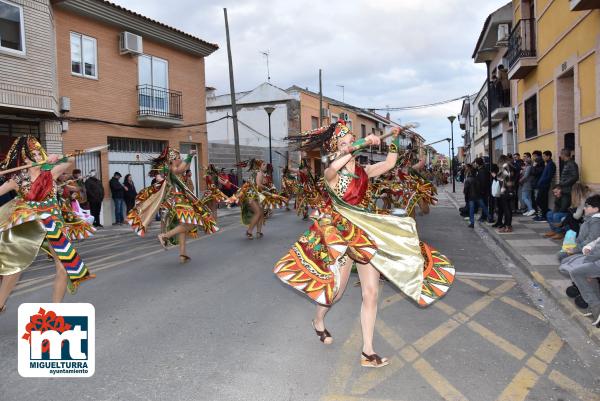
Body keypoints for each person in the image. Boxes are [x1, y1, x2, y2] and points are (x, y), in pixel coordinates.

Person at [274, 121, 455, 368]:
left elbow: (390, 163)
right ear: (336, 149)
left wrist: (394, 137)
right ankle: (318, 320)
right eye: (345, 143)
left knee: (370, 293)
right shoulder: (331, 174)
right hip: (342, 238)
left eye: (352, 140)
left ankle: (367, 352)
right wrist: (361, 143)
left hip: (365, 237)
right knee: (335, 294)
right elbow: (336, 164)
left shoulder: (364, 171)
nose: (350, 146)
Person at [0, 136, 94, 312]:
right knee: (14, 268)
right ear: (24, 158)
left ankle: (55, 311)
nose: (36, 156)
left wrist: (58, 156)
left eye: (38, 152)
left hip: (53, 222)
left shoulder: (50, 172)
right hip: (29, 223)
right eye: (31, 154)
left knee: (64, 267)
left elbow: (71, 160)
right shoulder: (17, 179)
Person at [127, 147, 217, 264]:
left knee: (183, 227)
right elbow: (180, 169)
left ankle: (183, 254)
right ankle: (164, 236)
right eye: (178, 157)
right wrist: (189, 156)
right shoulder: (173, 169)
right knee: (191, 224)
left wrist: (190, 158)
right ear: (173, 159)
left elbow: (185, 167)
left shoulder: (173, 168)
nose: (180, 159)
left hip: (179, 200)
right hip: (179, 201)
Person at [558, 195, 600, 324]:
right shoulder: (590, 220)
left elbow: (594, 242)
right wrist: (585, 248)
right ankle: (595, 306)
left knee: (576, 270)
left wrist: (583, 255)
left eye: (587, 206)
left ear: (596, 209)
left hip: (596, 258)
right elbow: (595, 241)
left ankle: (596, 308)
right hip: (593, 255)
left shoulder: (596, 222)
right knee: (566, 263)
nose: (585, 208)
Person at [533, 150, 556, 222]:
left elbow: (549, 176)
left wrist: (541, 182)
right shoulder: (547, 164)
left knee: (540, 201)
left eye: (544, 156)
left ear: (548, 156)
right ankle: (543, 215)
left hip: (544, 185)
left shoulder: (551, 164)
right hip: (542, 185)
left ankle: (544, 216)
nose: (543, 158)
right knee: (542, 201)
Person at [497, 155, 516, 232]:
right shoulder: (511, 167)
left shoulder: (505, 166)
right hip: (511, 190)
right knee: (508, 209)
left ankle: (507, 226)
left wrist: (497, 176)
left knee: (506, 209)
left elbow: (502, 179)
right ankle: (507, 225)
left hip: (506, 191)